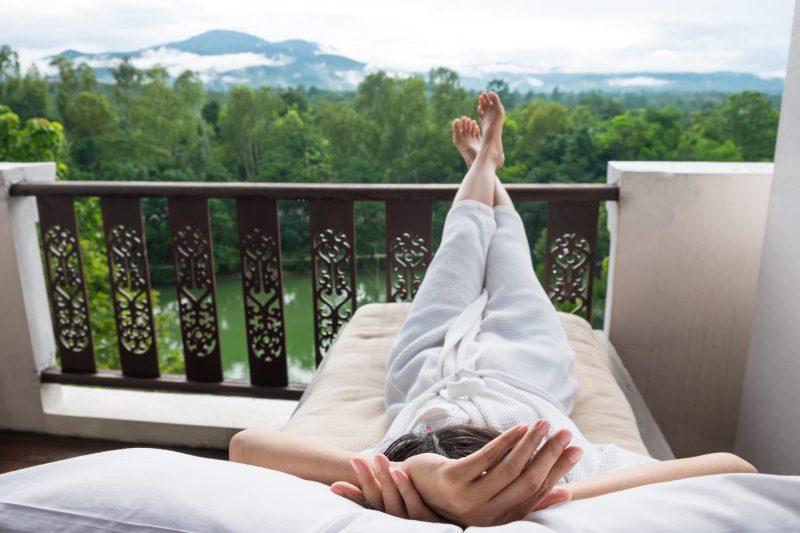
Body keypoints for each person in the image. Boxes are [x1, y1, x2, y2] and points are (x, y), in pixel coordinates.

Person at [229, 92, 757, 527]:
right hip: (527, 368)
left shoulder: (391, 481)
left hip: (425, 370)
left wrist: (416, 475)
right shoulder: (562, 474)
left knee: (461, 240)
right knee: (509, 250)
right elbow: (732, 468)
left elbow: (246, 447)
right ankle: (486, 162)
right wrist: (546, 496)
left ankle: (483, 162)